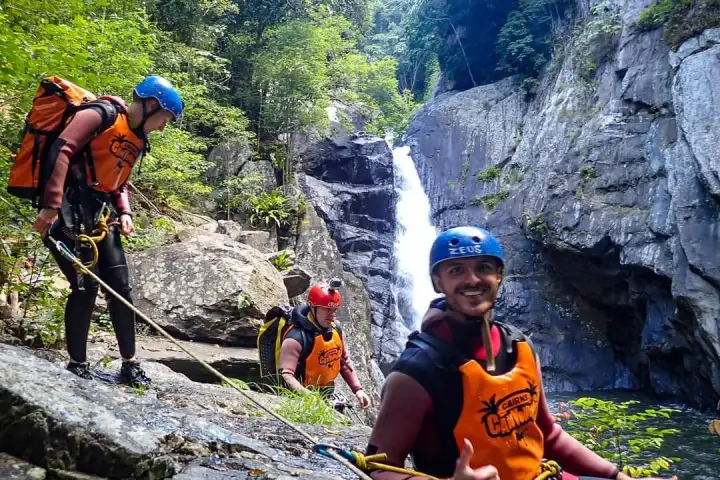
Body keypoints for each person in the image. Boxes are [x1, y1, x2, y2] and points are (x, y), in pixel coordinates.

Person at [365, 226, 677, 480]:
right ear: (438, 282)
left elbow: (548, 435)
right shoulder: (417, 371)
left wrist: (618, 476)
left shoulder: (519, 346)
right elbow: (377, 467)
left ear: (499, 277)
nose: (472, 279)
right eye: (457, 270)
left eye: (483, 268)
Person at [31, 75, 184, 386]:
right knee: (85, 287)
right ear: (151, 105)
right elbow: (61, 150)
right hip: (68, 209)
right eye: (164, 118)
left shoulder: (137, 138)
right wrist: (50, 205)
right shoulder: (100, 115)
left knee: (121, 290)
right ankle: (78, 364)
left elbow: (117, 179)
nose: (163, 126)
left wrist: (125, 211)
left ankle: (129, 364)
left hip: (101, 215)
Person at [264, 280, 372, 410]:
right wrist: (310, 397)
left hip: (326, 393)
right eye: (327, 309)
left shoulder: (335, 330)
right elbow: (286, 375)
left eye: (334, 310)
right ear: (313, 307)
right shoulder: (296, 338)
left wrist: (358, 390)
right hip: (298, 398)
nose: (332, 315)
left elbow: (344, 361)